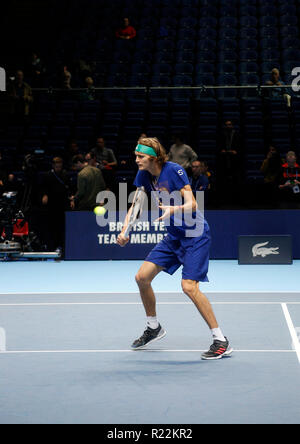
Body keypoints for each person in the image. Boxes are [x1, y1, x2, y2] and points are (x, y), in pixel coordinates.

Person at [117, 137, 233, 360]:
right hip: (174, 236)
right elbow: (136, 204)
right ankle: (153, 327)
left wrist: (174, 209)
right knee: (142, 278)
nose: (136, 159)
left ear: (153, 157)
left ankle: (220, 340)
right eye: (136, 155)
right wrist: (125, 231)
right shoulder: (143, 174)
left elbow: (193, 203)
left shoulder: (174, 170)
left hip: (194, 234)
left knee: (189, 287)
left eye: (140, 156)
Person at [41, 157, 71, 251]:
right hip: (52, 205)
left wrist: (71, 199)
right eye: (57, 166)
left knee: (62, 227)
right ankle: (51, 247)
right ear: (53, 165)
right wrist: (44, 195)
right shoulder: (47, 175)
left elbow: (69, 187)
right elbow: (43, 187)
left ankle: (61, 246)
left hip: (63, 204)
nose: (58, 168)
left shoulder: (65, 174)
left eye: (60, 166)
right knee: (52, 227)